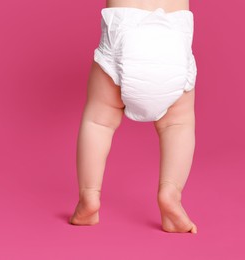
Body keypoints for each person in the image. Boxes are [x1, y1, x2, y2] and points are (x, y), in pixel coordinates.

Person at [69, 0, 198, 234]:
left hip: (124, 29)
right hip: (173, 38)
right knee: (178, 124)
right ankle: (171, 193)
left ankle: (89, 196)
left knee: (99, 122)